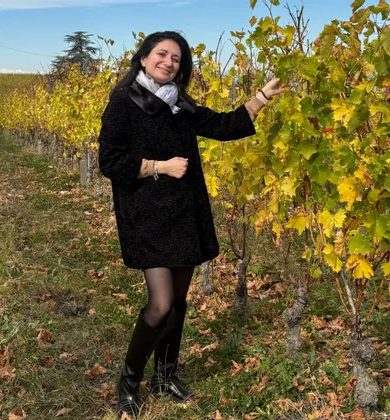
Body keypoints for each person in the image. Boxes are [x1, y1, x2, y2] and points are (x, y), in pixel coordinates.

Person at [98, 30, 284, 417]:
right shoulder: (124, 100)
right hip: (146, 216)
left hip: (183, 214)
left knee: (178, 302)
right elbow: (110, 161)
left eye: (176, 59)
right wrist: (159, 167)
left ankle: (165, 376)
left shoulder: (179, 103)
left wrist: (261, 98)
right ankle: (128, 384)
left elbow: (223, 126)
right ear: (144, 57)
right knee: (161, 304)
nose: (168, 62)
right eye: (161, 54)